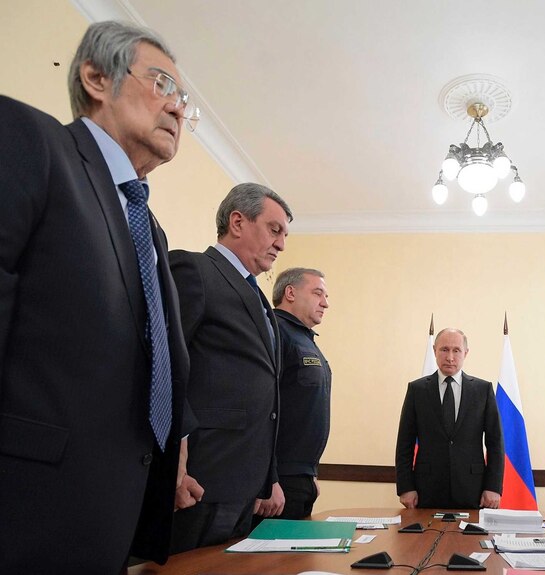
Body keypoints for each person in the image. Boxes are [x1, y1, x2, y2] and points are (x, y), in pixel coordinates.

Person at [0, 21, 198, 572]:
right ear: (94, 77)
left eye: (185, 101)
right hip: (25, 513)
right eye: (163, 85)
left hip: (112, 521)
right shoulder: (29, 140)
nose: (179, 110)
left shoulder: (147, 226)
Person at [169, 183, 292, 553]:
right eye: (275, 230)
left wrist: (268, 477)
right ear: (237, 222)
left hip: (246, 484)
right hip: (201, 478)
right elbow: (168, 367)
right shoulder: (195, 270)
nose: (282, 244)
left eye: (284, 234)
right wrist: (174, 453)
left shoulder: (260, 299)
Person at [395, 328, 504, 509]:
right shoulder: (417, 390)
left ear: (465, 353)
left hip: (473, 489)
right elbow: (404, 443)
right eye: (444, 350)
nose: (450, 357)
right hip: (426, 489)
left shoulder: (483, 390)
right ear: (434, 350)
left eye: (456, 350)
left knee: (469, 538)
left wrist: (493, 487)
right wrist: (406, 487)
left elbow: (495, 443)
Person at [266, 267, 332, 519]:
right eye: (318, 293)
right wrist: (268, 479)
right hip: (278, 479)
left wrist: (310, 472)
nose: (325, 303)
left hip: (300, 477)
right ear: (290, 293)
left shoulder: (304, 339)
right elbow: (264, 410)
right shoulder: (274, 332)